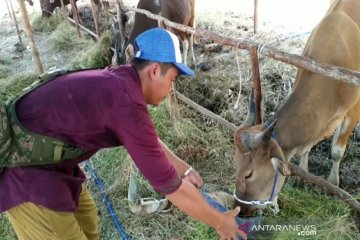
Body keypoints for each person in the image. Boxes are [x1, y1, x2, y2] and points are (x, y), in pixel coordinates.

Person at [0, 28, 246, 240]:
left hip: (56, 167)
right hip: (28, 175)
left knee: (87, 219)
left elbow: (148, 141)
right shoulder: (125, 103)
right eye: (172, 79)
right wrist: (220, 222)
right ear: (154, 70)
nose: (171, 89)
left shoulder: (120, 82)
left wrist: (185, 169)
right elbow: (172, 189)